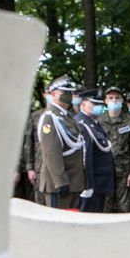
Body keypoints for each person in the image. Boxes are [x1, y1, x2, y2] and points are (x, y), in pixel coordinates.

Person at [36, 75, 85, 209]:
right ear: (53, 94)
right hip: (59, 184)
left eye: (70, 92)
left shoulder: (67, 116)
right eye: (65, 92)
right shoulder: (50, 118)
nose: (69, 95)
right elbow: (51, 153)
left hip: (73, 181)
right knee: (57, 225)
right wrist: (60, 182)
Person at [98, 86, 130, 213]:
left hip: (124, 173)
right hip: (104, 172)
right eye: (111, 98)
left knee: (125, 208)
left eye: (117, 98)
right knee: (105, 208)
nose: (114, 101)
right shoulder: (99, 122)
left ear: (122, 101)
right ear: (105, 101)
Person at [74, 89, 116, 213]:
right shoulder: (82, 124)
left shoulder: (93, 123)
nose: (99, 107)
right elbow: (85, 158)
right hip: (92, 185)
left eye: (100, 104)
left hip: (99, 184)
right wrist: (87, 185)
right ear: (83, 105)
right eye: (94, 104)